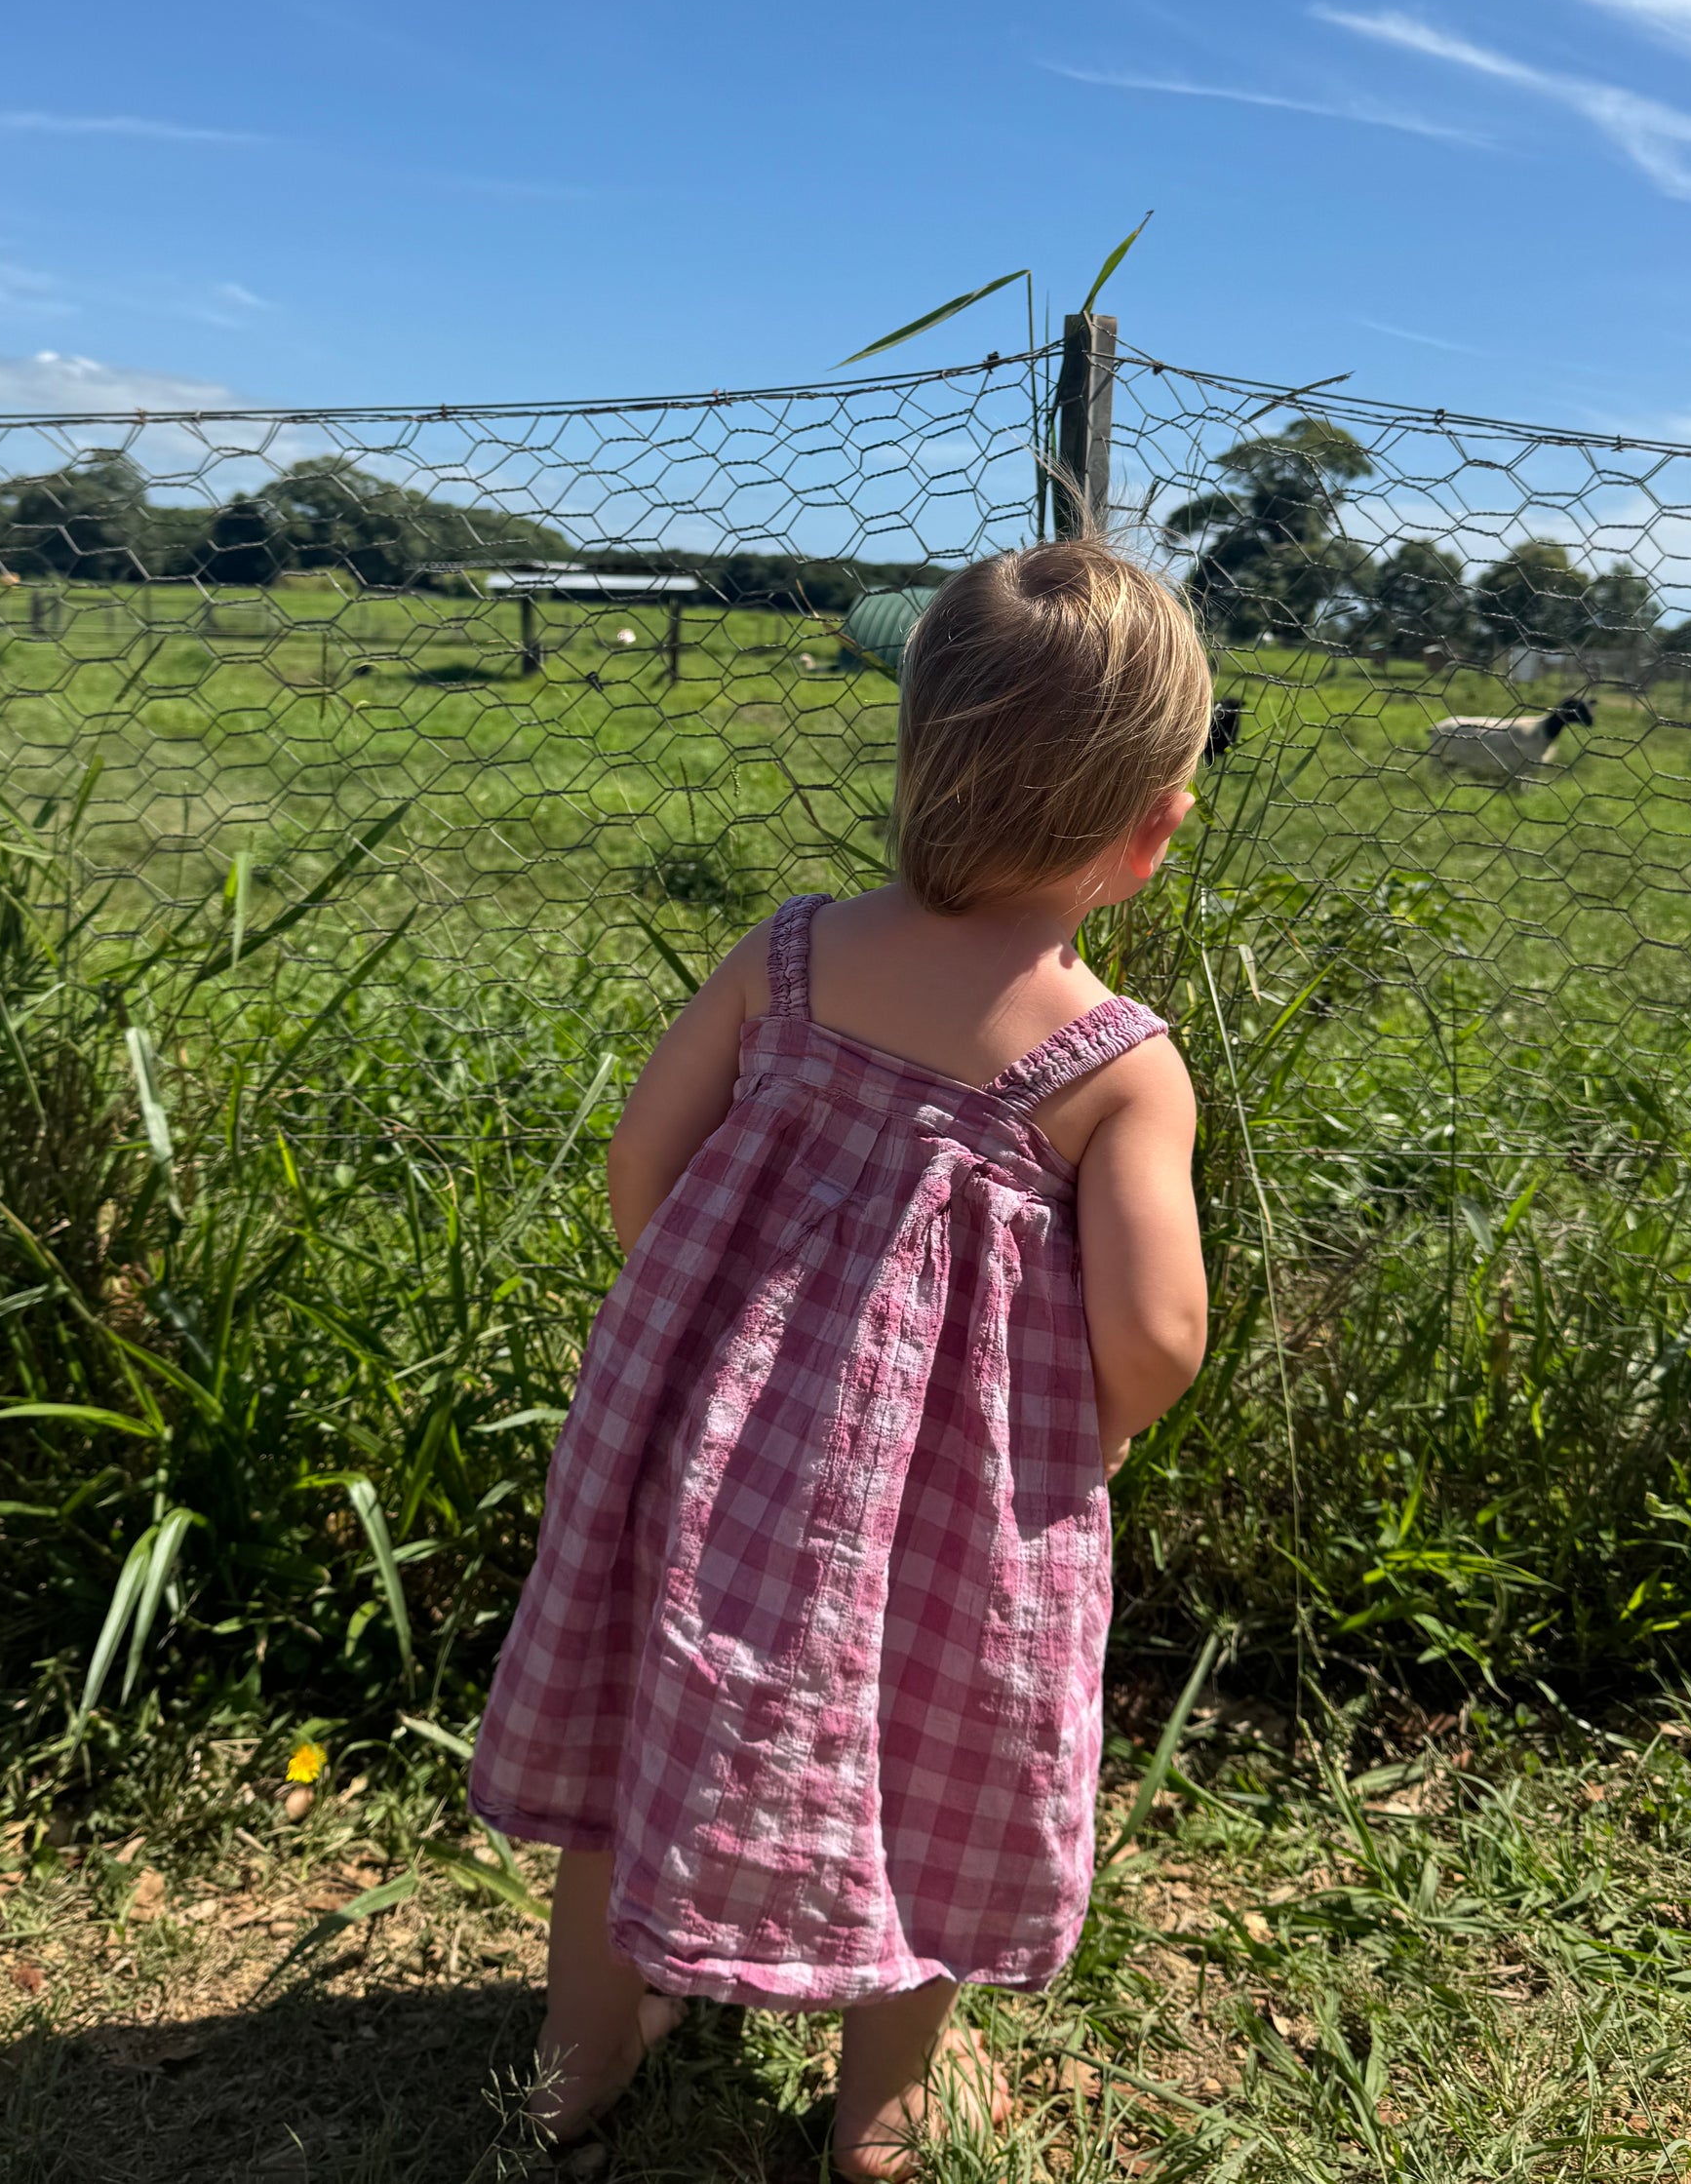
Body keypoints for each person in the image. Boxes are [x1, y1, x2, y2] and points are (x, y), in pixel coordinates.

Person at [469, 539, 1213, 2177]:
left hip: (701, 1429)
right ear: (1153, 830)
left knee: (640, 1701)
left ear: (911, 747)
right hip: (962, 1510)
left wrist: (714, 1335)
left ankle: (582, 2051)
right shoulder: (1114, 1067)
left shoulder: (790, 957)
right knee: (948, 1746)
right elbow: (1159, 1330)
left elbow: (637, 1169)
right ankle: (884, 2104)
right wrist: (1081, 1444)